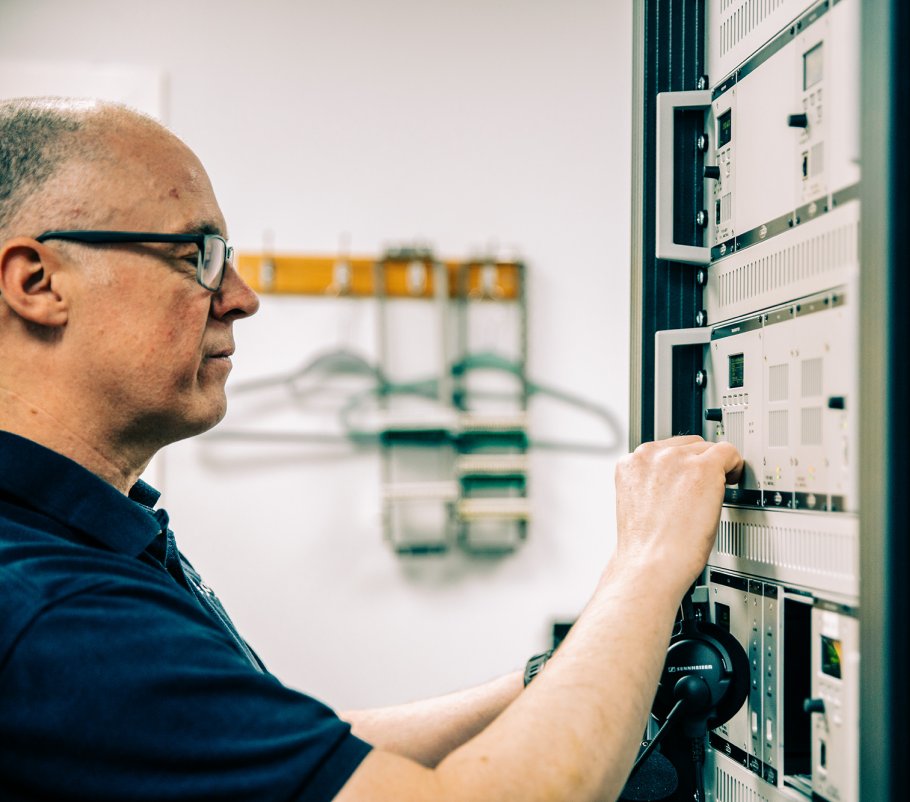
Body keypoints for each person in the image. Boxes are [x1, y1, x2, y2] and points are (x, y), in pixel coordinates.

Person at [0, 97, 743, 802]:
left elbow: (301, 764)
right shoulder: (53, 608)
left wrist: (555, 678)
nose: (240, 295)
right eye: (197, 254)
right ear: (37, 281)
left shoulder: (79, 544)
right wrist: (648, 560)